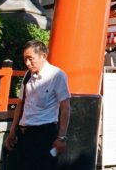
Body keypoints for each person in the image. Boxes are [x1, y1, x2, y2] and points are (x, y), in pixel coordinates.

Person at [4, 40, 71, 170]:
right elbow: (20, 104)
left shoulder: (57, 75)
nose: (27, 63)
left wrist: (61, 137)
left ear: (43, 56)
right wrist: (12, 132)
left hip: (44, 133)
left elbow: (65, 107)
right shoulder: (27, 75)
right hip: (24, 132)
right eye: (25, 59)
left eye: (31, 59)